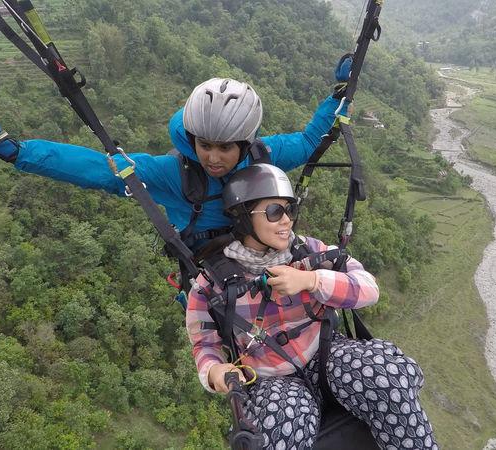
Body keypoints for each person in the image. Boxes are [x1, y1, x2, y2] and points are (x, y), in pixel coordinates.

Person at [0, 65, 351, 252]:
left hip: (264, 253)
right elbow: (97, 169)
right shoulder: (173, 174)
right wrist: (16, 152)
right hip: (211, 268)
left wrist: (337, 94)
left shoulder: (267, 155)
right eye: (203, 145)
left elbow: (310, 139)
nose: (212, 157)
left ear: (245, 144)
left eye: (224, 148)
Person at [186, 164, 438, 450]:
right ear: (243, 217)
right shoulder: (212, 283)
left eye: (290, 210)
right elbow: (204, 343)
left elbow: (368, 288)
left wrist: (311, 280)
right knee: (279, 430)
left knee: (385, 379)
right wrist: (214, 372)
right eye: (274, 212)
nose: (286, 221)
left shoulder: (309, 252)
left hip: (328, 355)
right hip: (274, 379)